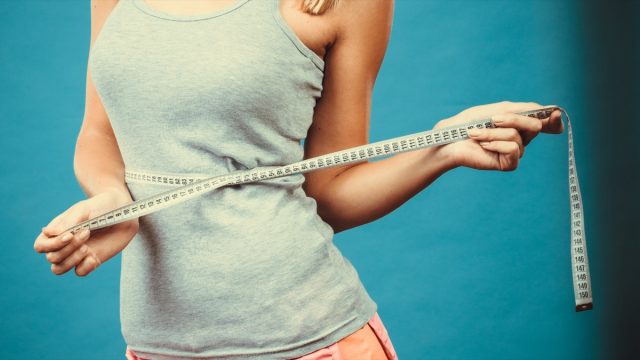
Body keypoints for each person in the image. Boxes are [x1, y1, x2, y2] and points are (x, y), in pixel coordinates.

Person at [32, 0, 564, 359]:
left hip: (312, 341)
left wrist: (440, 150)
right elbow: (98, 133)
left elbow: (330, 191)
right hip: (155, 342)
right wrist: (114, 200)